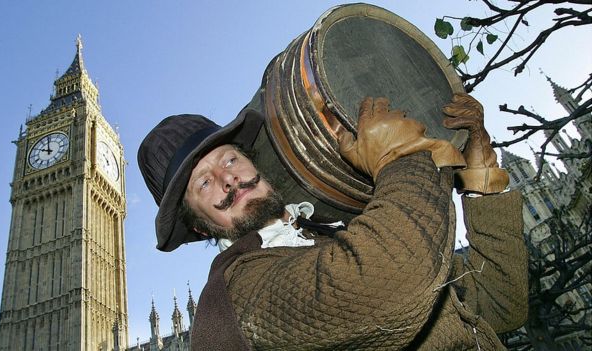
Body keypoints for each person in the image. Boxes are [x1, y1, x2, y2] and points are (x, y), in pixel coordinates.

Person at [138, 94, 527, 350]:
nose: (228, 179)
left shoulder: (332, 233)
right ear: (201, 227)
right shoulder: (239, 294)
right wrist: (401, 152)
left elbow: (499, 302)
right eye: (204, 183)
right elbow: (393, 281)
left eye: (229, 160)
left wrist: (481, 178)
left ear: (252, 162)